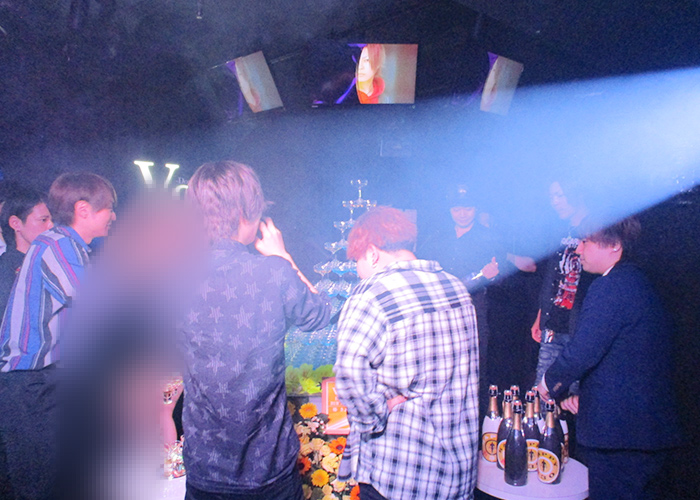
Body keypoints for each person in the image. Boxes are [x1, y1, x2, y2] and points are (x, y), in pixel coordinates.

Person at [180, 160, 331, 500]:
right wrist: (284, 257)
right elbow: (320, 314)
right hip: (268, 470)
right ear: (245, 213)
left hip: (205, 469)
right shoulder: (274, 273)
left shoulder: (176, 278)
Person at [334, 206, 479, 500]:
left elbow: (349, 378)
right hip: (458, 473)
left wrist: (376, 414)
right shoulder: (456, 288)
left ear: (372, 253)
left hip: (402, 475)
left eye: (356, 261)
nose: (357, 270)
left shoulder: (371, 295)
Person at [537, 216, 681, 500]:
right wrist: (588, 399)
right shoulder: (635, 281)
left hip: (622, 437)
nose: (578, 249)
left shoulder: (611, 287)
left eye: (585, 241)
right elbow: (627, 362)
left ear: (614, 245)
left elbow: (582, 352)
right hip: (641, 432)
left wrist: (548, 383)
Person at [0, 171, 116, 500]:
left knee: (65, 479)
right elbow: (98, 304)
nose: (113, 216)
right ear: (83, 210)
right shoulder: (58, 243)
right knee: (41, 484)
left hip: (47, 380)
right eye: (109, 208)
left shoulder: (73, 247)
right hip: (29, 382)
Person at [532, 179, 594, 385]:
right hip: (552, 324)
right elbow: (552, 277)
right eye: (552, 197)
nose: (555, 202)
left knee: (574, 392)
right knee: (543, 388)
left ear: (576, 193)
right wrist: (540, 317)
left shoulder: (595, 230)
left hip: (579, 329)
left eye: (559, 196)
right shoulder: (559, 229)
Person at [0, 185, 53, 316]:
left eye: (53, 220)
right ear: (15, 223)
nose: (51, 226)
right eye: (43, 220)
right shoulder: (6, 268)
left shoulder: (53, 259)